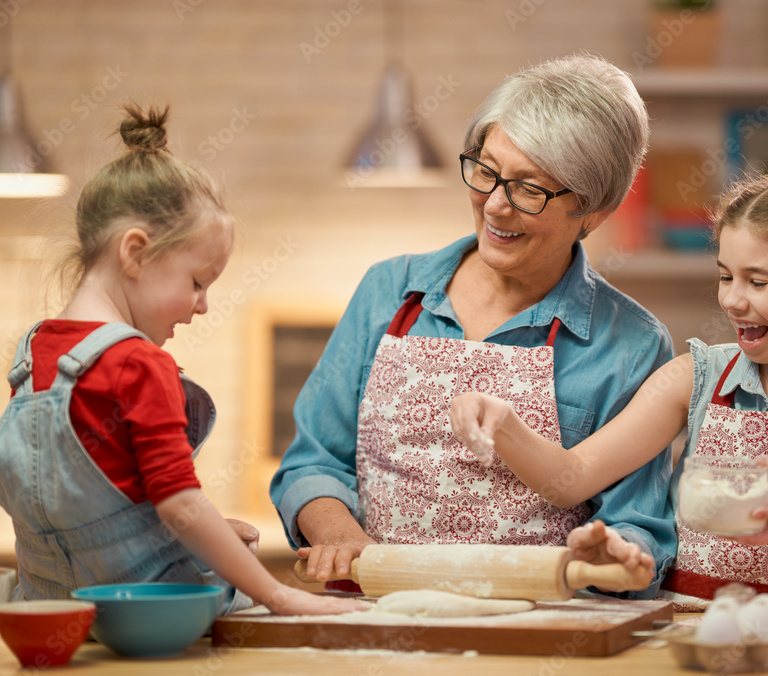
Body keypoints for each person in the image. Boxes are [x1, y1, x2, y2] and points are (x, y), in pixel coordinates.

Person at [270, 54, 676, 597]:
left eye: (529, 189)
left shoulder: (631, 344)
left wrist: (621, 557)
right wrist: (341, 538)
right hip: (378, 623)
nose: (495, 208)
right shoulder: (390, 292)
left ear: (595, 210)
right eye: (487, 172)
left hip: (538, 637)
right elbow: (313, 462)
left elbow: (640, 529)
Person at [450, 168, 768, 615]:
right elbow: (571, 476)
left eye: (758, 281)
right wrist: (503, 423)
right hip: (686, 635)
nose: (732, 299)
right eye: (726, 275)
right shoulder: (695, 376)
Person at [0, 104, 363, 616]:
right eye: (196, 282)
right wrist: (279, 594)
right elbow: (179, 504)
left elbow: (88, 513)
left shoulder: (32, 355)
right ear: (136, 253)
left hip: (51, 618)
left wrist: (177, 539)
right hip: (145, 619)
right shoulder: (139, 365)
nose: (203, 306)